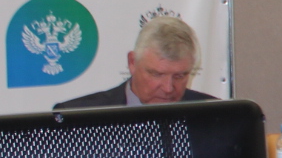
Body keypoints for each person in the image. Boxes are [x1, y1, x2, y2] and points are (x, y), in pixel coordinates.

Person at [55, 15, 217, 108]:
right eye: (157, 74)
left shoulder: (214, 115)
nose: (168, 88)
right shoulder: (78, 116)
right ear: (132, 62)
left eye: (179, 76)